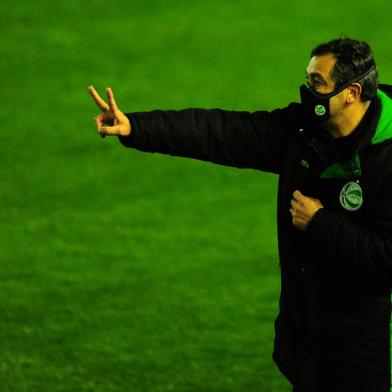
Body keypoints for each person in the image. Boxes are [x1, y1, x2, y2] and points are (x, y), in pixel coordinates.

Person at [88, 38, 392, 392]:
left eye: (317, 83)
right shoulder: (303, 131)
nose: (307, 91)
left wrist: (320, 224)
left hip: (366, 346)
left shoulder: (386, 161)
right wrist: (136, 127)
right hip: (308, 334)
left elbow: (387, 257)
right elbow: (225, 132)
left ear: (352, 93)